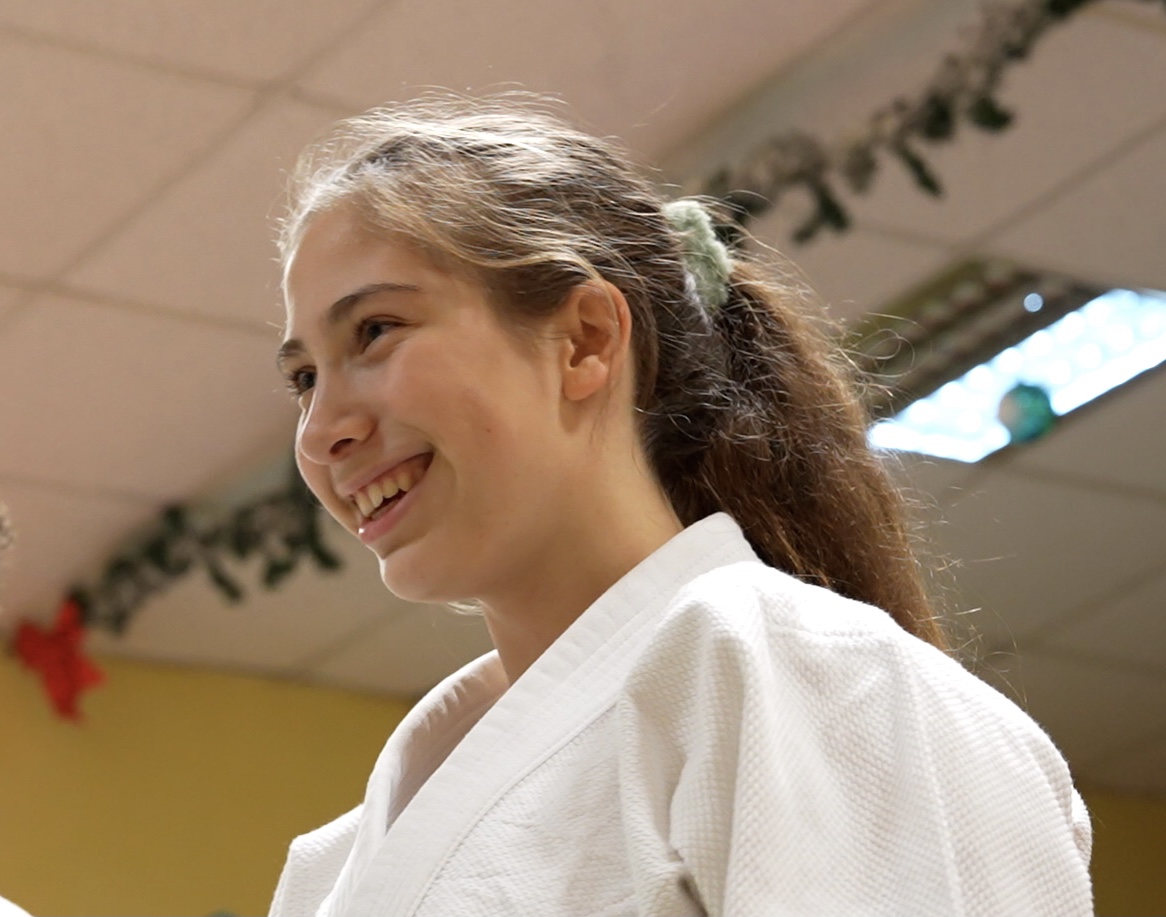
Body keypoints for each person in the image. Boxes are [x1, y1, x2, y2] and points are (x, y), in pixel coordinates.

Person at [268, 96, 1092, 917]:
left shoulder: (802, 674)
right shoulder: (330, 872)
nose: (322, 431)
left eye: (374, 331)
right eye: (304, 378)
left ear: (586, 340)